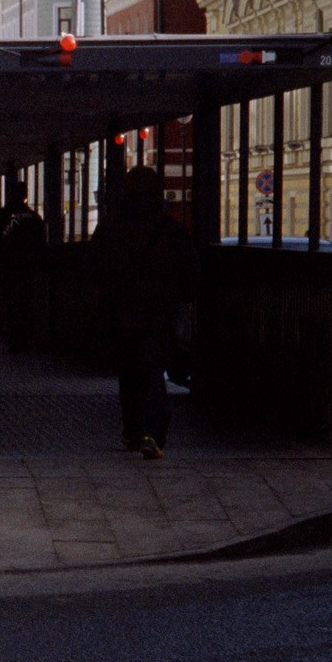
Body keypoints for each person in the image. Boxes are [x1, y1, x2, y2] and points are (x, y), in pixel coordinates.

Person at [89, 165, 200, 459]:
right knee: (152, 371)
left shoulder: (111, 227)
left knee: (128, 372)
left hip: (121, 311)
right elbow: (190, 276)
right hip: (158, 313)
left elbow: (93, 267)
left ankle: (133, 430)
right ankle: (154, 434)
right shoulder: (172, 230)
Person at [0, 180, 48, 351]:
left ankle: (15, 338)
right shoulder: (35, 218)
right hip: (29, 267)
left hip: (8, 266)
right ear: (25, 195)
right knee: (27, 302)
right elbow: (41, 244)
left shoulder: (1, 217)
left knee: (11, 302)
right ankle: (27, 338)